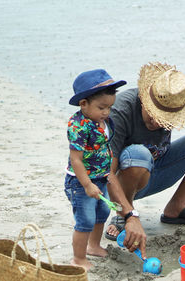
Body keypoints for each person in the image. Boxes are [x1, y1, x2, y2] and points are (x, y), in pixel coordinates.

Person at [104, 62, 185, 259]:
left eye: (166, 119)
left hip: (160, 169)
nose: (157, 123)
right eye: (154, 115)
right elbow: (107, 174)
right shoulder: (121, 109)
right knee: (138, 154)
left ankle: (176, 207)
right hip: (123, 182)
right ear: (145, 99)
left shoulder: (179, 97)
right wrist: (129, 215)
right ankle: (122, 214)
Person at [64, 69, 126, 270]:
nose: (107, 112)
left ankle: (94, 245)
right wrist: (87, 184)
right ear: (83, 104)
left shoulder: (105, 120)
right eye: (102, 107)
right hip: (81, 181)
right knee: (85, 219)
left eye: (110, 107)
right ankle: (78, 258)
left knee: (101, 213)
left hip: (101, 177)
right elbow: (76, 160)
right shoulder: (78, 126)